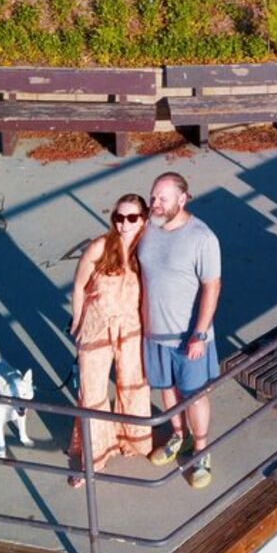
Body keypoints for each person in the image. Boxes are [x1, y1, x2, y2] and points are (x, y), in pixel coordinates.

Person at [140, 172, 221, 489]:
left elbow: (212, 287)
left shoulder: (202, 238)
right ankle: (178, 435)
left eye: (162, 198)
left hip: (190, 338)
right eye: (153, 197)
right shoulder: (147, 228)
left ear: (182, 199)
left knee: (195, 396)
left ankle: (202, 450)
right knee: (167, 388)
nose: (155, 204)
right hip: (154, 335)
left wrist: (199, 334)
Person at [66, 194, 153, 487]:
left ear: (144, 219)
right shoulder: (100, 246)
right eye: (119, 217)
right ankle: (94, 457)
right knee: (92, 391)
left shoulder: (148, 249)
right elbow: (78, 287)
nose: (124, 224)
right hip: (97, 324)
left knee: (134, 384)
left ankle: (134, 440)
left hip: (131, 326)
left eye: (132, 218)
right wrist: (77, 322)